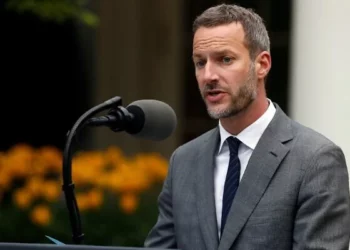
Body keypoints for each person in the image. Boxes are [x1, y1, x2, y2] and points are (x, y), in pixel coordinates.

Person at [144, 3, 350, 250]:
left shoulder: (315, 159)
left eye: (225, 59)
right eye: (200, 63)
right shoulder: (184, 160)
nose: (208, 75)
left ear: (261, 64)